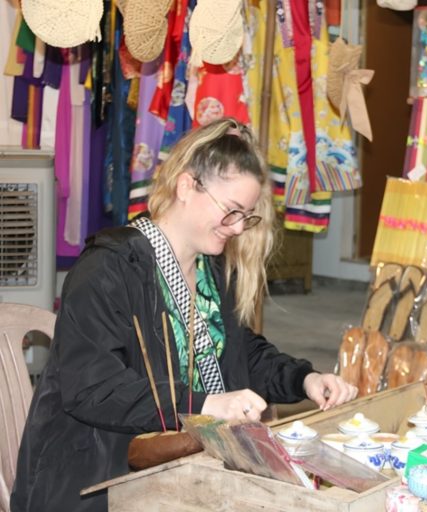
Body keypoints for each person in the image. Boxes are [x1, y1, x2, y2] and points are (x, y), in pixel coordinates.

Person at [11, 118, 358, 512]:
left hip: (170, 466)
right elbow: (93, 388)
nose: (239, 227)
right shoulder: (107, 270)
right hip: (94, 480)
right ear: (186, 186)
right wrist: (205, 404)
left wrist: (305, 379)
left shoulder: (210, 271)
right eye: (231, 211)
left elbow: (239, 352)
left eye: (247, 215)